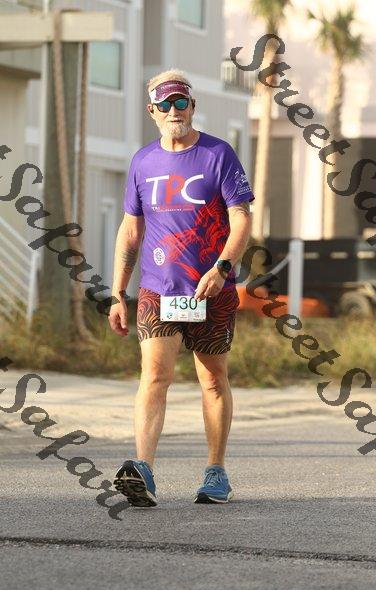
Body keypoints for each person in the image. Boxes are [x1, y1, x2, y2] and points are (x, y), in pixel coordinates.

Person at [109, 69, 254, 507]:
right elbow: (130, 230)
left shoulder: (218, 154)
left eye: (181, 102)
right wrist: (117, 293)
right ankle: (143, 471)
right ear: (152, 111)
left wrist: (223, 268)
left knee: (212, 379)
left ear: (192, 106)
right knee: (154, 375)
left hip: (212, 289)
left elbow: (242, 218)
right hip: (158, 289)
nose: (174, 111)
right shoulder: (143, 162)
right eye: (165, 104)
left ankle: (216, 472)